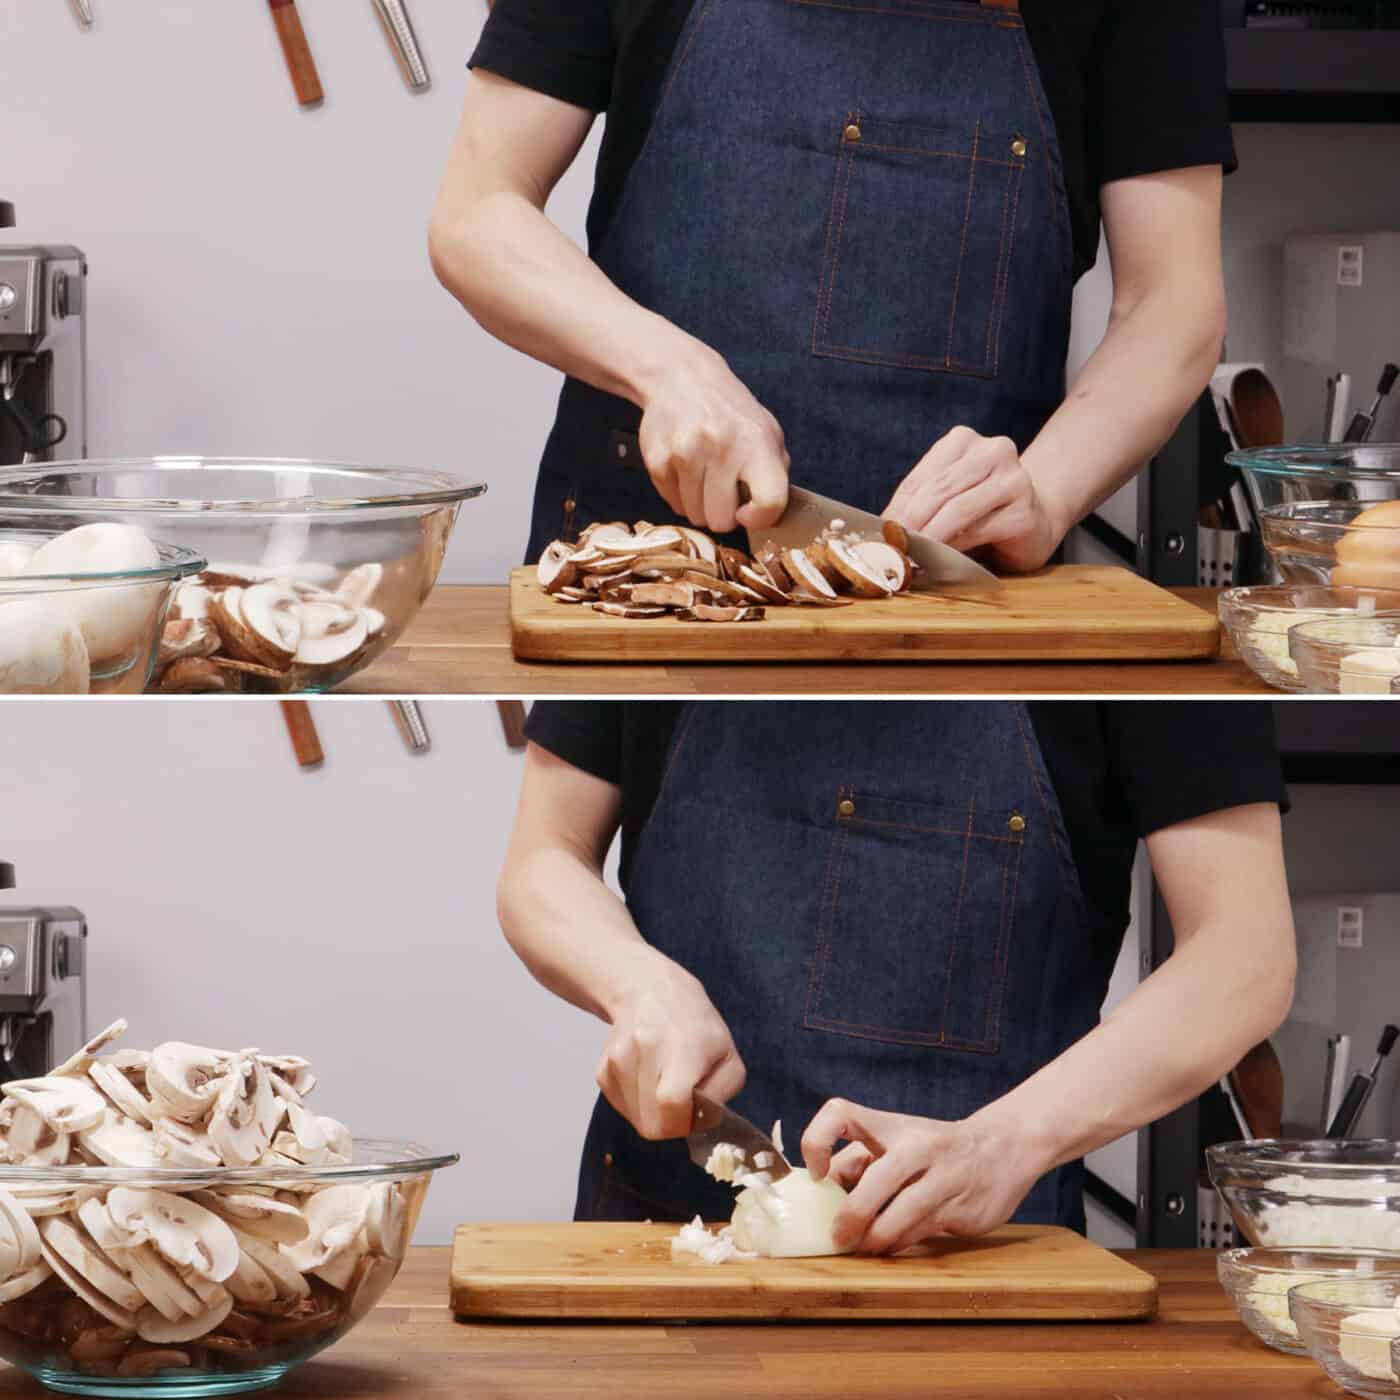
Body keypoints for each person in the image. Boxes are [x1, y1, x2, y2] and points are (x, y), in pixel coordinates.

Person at [431, 2, 1233, 568]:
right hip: (644, 572)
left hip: (952, 586)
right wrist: (669, 371)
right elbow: (478, 212)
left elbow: (1175, 302)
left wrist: (1048, 493)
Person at [496, 702, 1296, 1250]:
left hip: (972, 1293)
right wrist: (638, 984)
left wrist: (1003, 1141)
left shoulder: (1125, 633)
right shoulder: (682, 581)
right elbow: (543, 857)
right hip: (648, 1251)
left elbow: (1245, 954)